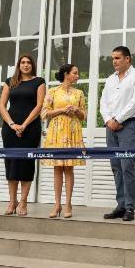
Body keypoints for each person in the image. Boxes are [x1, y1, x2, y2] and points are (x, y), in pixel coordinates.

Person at [100, 46, 135, 222]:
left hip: (129, 125)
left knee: (127, 165)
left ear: (127, 59)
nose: (114, 61)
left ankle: (129, 207)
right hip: (111, 127)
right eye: (113, 58)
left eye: (118, 58)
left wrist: (118, 119)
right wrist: (108, 120)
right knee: (115, 165)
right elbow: (103, 102)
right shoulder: (110, 79)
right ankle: (120, 205)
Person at [0, 54, 45, 216]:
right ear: (18, 65)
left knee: (26, 164)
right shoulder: (9, 82)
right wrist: (12, 124)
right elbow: (2, 106)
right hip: (10, 128)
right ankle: (12, 201)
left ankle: (23, 201)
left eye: (28, 62)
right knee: (11, 164)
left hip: (30, 128)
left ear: (32, 65)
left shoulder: (39, 82)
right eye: (23, 62)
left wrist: (24, 125)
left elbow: (39, 106)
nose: (26, 65)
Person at [41, 63, 87, 219]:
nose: (77, 76)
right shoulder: (52, 91)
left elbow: (84, 116)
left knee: (69, 168)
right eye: (75, 73)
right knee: (57, 168)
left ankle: (68, 204)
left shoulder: (79, 93)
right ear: (66, 74)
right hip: (56, 132)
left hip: (72, 131)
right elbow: (44, 113)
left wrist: (77, 110)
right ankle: (57, 204)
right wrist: (61, 110)